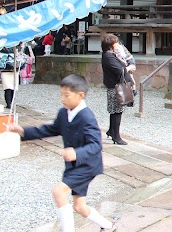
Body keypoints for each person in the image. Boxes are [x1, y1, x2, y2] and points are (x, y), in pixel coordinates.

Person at [8, 75, 117, 231]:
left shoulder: (87, 117)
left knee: (58, 192)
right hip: (73, 165)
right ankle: (109, 226)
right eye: (61, 94)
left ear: (81, 95)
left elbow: (95, 145)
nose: (63, 99)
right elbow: (50, 129)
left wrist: (76, 152)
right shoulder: (63, 112)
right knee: (79, 206)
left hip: (86, 165)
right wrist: (24, 131)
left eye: (67, 95)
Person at [101, 33, 134, 145]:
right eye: (115, 42)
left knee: (115, 111)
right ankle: (116, 136)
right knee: (117, 111)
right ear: (110, 44)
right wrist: (129, 68)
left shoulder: (111, 54)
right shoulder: (108, 56)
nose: (117, 44)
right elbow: (119, 70)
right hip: (115, 86)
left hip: (115, 85)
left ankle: (111, 131)